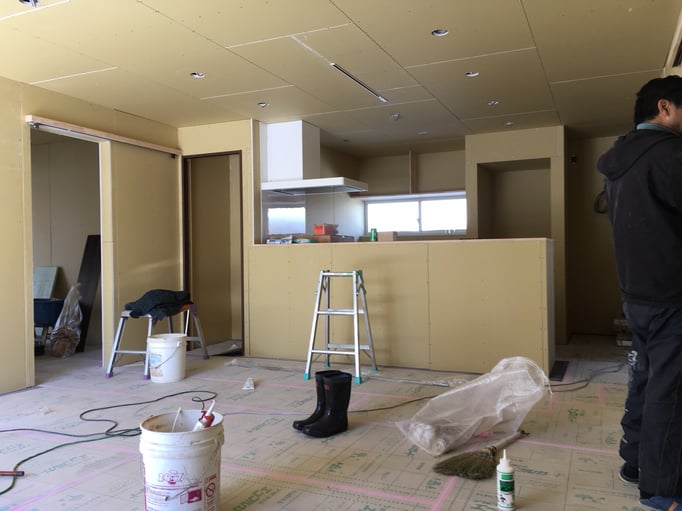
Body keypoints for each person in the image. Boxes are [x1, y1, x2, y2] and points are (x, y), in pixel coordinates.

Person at [598, 75, 682, 511]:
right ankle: (662, 489)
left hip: (637, 294)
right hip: (672, 295)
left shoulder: (620, 160)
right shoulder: (670, 155)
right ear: (665, 108)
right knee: (671, 391)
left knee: (645, 379)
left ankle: (634, 462)